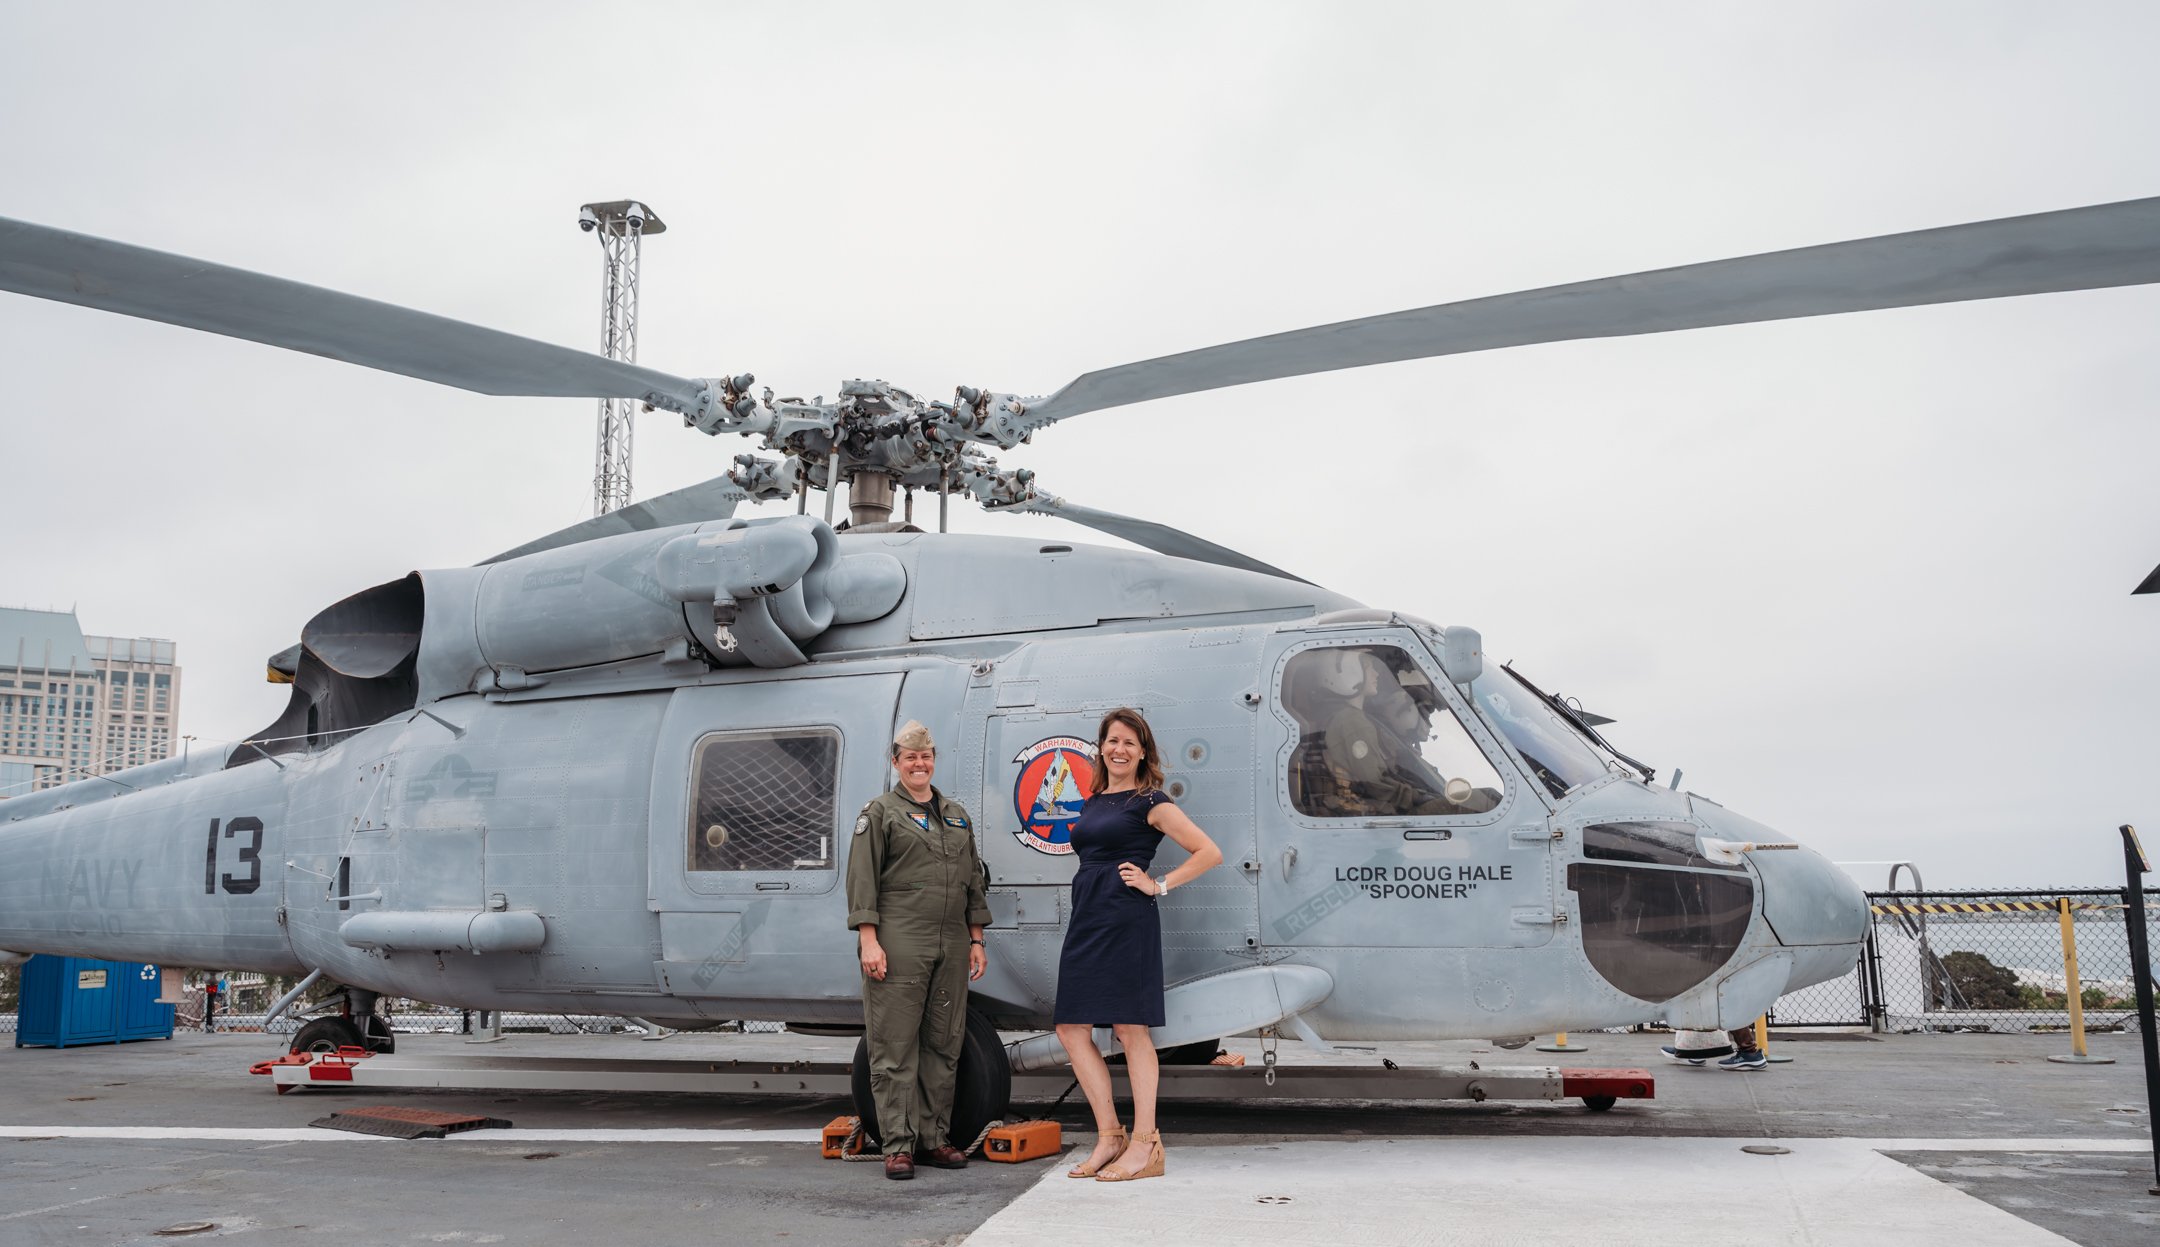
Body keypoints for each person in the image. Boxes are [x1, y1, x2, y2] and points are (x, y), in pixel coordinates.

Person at [1054, 707, 1225, 1182]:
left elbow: (1209, 852)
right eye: (1112, 740)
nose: (1119, 749)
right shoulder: (1092, 802)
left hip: (1127, 921)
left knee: (1132, 1031)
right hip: (1088, 920)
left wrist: (1159, 884)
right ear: (1101, 747)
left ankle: (1147, 1143)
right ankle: (1110, 1135)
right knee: (1070, 1028)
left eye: (1130, 742)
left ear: (1143, 751)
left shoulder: (1150, 801)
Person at [845, 720, 991, 1181]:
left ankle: (934, 1139)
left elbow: (974, 882)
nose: (918, 763)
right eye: (909, 757)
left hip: (950, 942)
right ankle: (897, 1145)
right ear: (896, 762)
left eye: (925, 756)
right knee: (894, 1047)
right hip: (900, 941)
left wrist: (976, 939)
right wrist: (869, 940)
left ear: (933, 760)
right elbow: (862, 879)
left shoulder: (956, 815)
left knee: (943, 1044)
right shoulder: (881, 812)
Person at [1319, 651, 1489, 816]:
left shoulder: (1353, 718)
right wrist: (1417, 796)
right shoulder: (1352, 722)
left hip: (1391, 806)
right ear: (1351, 674)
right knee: (1487, 801)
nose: (1376, 674)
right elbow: (1372, 781)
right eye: (1370, 668)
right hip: (1392, 811)